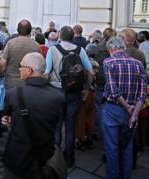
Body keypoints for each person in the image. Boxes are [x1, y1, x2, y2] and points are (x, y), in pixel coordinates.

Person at [1, 53, 64, 179]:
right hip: (43, 157)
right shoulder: (58, 97)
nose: (19, 69)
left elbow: (9, 114)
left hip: (17, 157)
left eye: (21, 66)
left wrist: (10, 123)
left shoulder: (13, 94)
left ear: (29, 70)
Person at [98, 37, 147, 179]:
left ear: (111, 49)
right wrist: (134, 114)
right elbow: (143, 93)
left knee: (112, 148)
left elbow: (113, 90)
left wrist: (127, 107)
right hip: (133, 109)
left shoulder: (109, 62)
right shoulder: (138, 64)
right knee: (127, 148)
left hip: (115, 108)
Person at [46, 26, 93, 167]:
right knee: (71, 125)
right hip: (74, 91)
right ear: (73, 36)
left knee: (57, 125)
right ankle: (69, 157)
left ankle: (56, 157)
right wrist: (86, 89)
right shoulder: (80, 50)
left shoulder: (53, 49)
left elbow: (46, 72)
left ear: (60, 36)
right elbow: (91, 72)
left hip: (56, 91)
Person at [0, 20, 42, 90]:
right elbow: (40, 65)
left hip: (11, 81)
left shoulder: (10, 43)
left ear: (18, 29)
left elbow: (2, 63)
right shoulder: (36, 45)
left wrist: (1, 74)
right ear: (30, 30)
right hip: (29, 83)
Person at [75, 44, 98, 150]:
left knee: (82, 116)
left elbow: (89, 75)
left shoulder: (86, 63)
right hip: (94, 92)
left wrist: (86, 89)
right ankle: (89, 137)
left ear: (87, 52)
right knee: (91, 115)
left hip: (86, 91)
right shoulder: (96, 63)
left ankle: (81, 139)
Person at [93, 27, 115, 140]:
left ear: (104, 36)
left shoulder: (97, 47)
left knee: (97, 107)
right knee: (110, 106)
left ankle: (97, 132)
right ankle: (109, 133)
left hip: (99, 78)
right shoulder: (117, 48)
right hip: (111, 80)